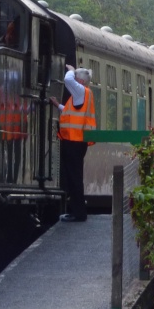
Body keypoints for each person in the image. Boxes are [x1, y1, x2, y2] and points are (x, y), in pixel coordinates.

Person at [49, 64, 96, 222]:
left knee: (74, 178)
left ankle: (78, 213)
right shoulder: (84, 94)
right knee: (73, 176)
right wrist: (58, 106)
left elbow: (67, 79)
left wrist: (70, 70)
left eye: (76, 79)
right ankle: (77, 211)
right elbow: (73, 112)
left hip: (74, 141)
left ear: (80, 81)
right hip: (77, 141)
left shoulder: (80, 90)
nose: (73, 81)